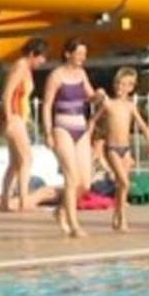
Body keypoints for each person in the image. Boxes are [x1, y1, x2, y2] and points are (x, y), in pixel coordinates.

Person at [91, 66, 149, 232]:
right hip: (112, 149)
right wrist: (93, 145)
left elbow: (144, 127)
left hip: (126, 149)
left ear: (131, 88)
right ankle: (122, 217)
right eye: (117, 84)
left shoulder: (130, 106)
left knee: (120, 186)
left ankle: (116, 216)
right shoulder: (108, 104)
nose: (119, 88)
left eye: (124, 85)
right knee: (124, 182)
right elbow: (93, 121)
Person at [41, 38, 98, 240]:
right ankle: (74, 225)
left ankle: (61, 211)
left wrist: (98, 96)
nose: (82, 58)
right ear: (68, 54)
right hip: (62, 128)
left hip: (80, 128)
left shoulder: (81, 74)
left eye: (84, 54)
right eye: (79, 53)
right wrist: (48, 132)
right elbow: (47, 105)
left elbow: (89, 95)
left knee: (85, 183)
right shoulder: (56, 76)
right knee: (71, 178)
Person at [0, 38, 48, 213]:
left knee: (15, 162)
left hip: (17, 117)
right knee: (26, 158)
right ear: (33, 54)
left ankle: (4, 200)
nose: (43, 61)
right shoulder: (21, 68)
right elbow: (8, 93)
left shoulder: (24, 68)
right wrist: (10, 117)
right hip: (15, 117)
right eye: (41, 57)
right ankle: (24, 199)